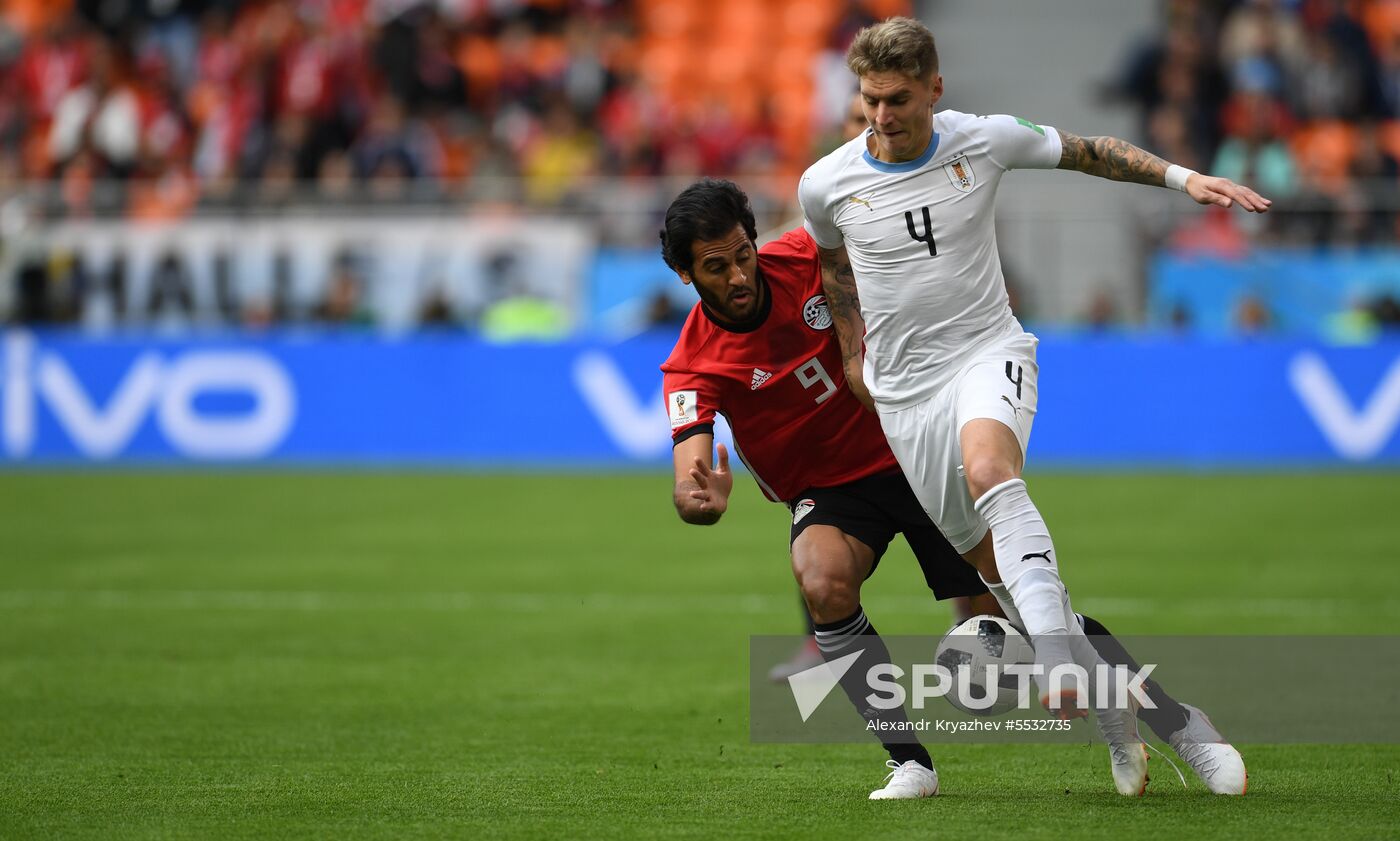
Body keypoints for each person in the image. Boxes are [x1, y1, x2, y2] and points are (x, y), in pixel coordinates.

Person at [798, 17, 1264, 796]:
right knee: (1007, 581)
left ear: (935, 89)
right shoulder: (826, 183)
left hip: (988, 352)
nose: (883, 116)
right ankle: (1156, 724)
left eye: (900, 99)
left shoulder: (982, 140)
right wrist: (851, 351)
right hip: (907, 399)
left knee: (991, 467)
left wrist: (1186, 180)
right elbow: (833, 264)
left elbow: (1089, 152)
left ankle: (1056, 659)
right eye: (871, 100)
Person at [659, 178, 1243, 800]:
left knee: (1024, 603)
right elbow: (689, 472)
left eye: (743, 254)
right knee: (822, 580)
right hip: (832, 491)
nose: (739, 275)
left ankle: (1180, 726)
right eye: (716, 268)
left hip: (919, 450)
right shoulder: (693, 364)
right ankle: (910, 763)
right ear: (687, 275)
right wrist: (701, 498)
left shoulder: (812, 255)